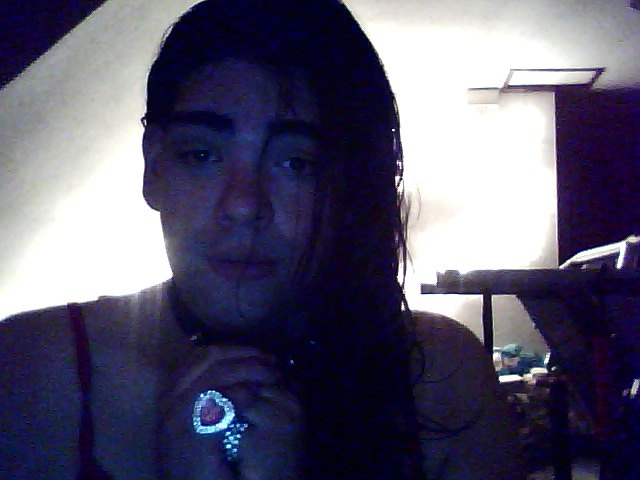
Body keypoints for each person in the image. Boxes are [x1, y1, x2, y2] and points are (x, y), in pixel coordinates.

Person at [0, 1, 521, 479]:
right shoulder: (28, 368)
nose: (244, 205)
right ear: (152, 166)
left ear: (350, 186)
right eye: (201, 155)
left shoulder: (439, 374)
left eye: (297, 163)